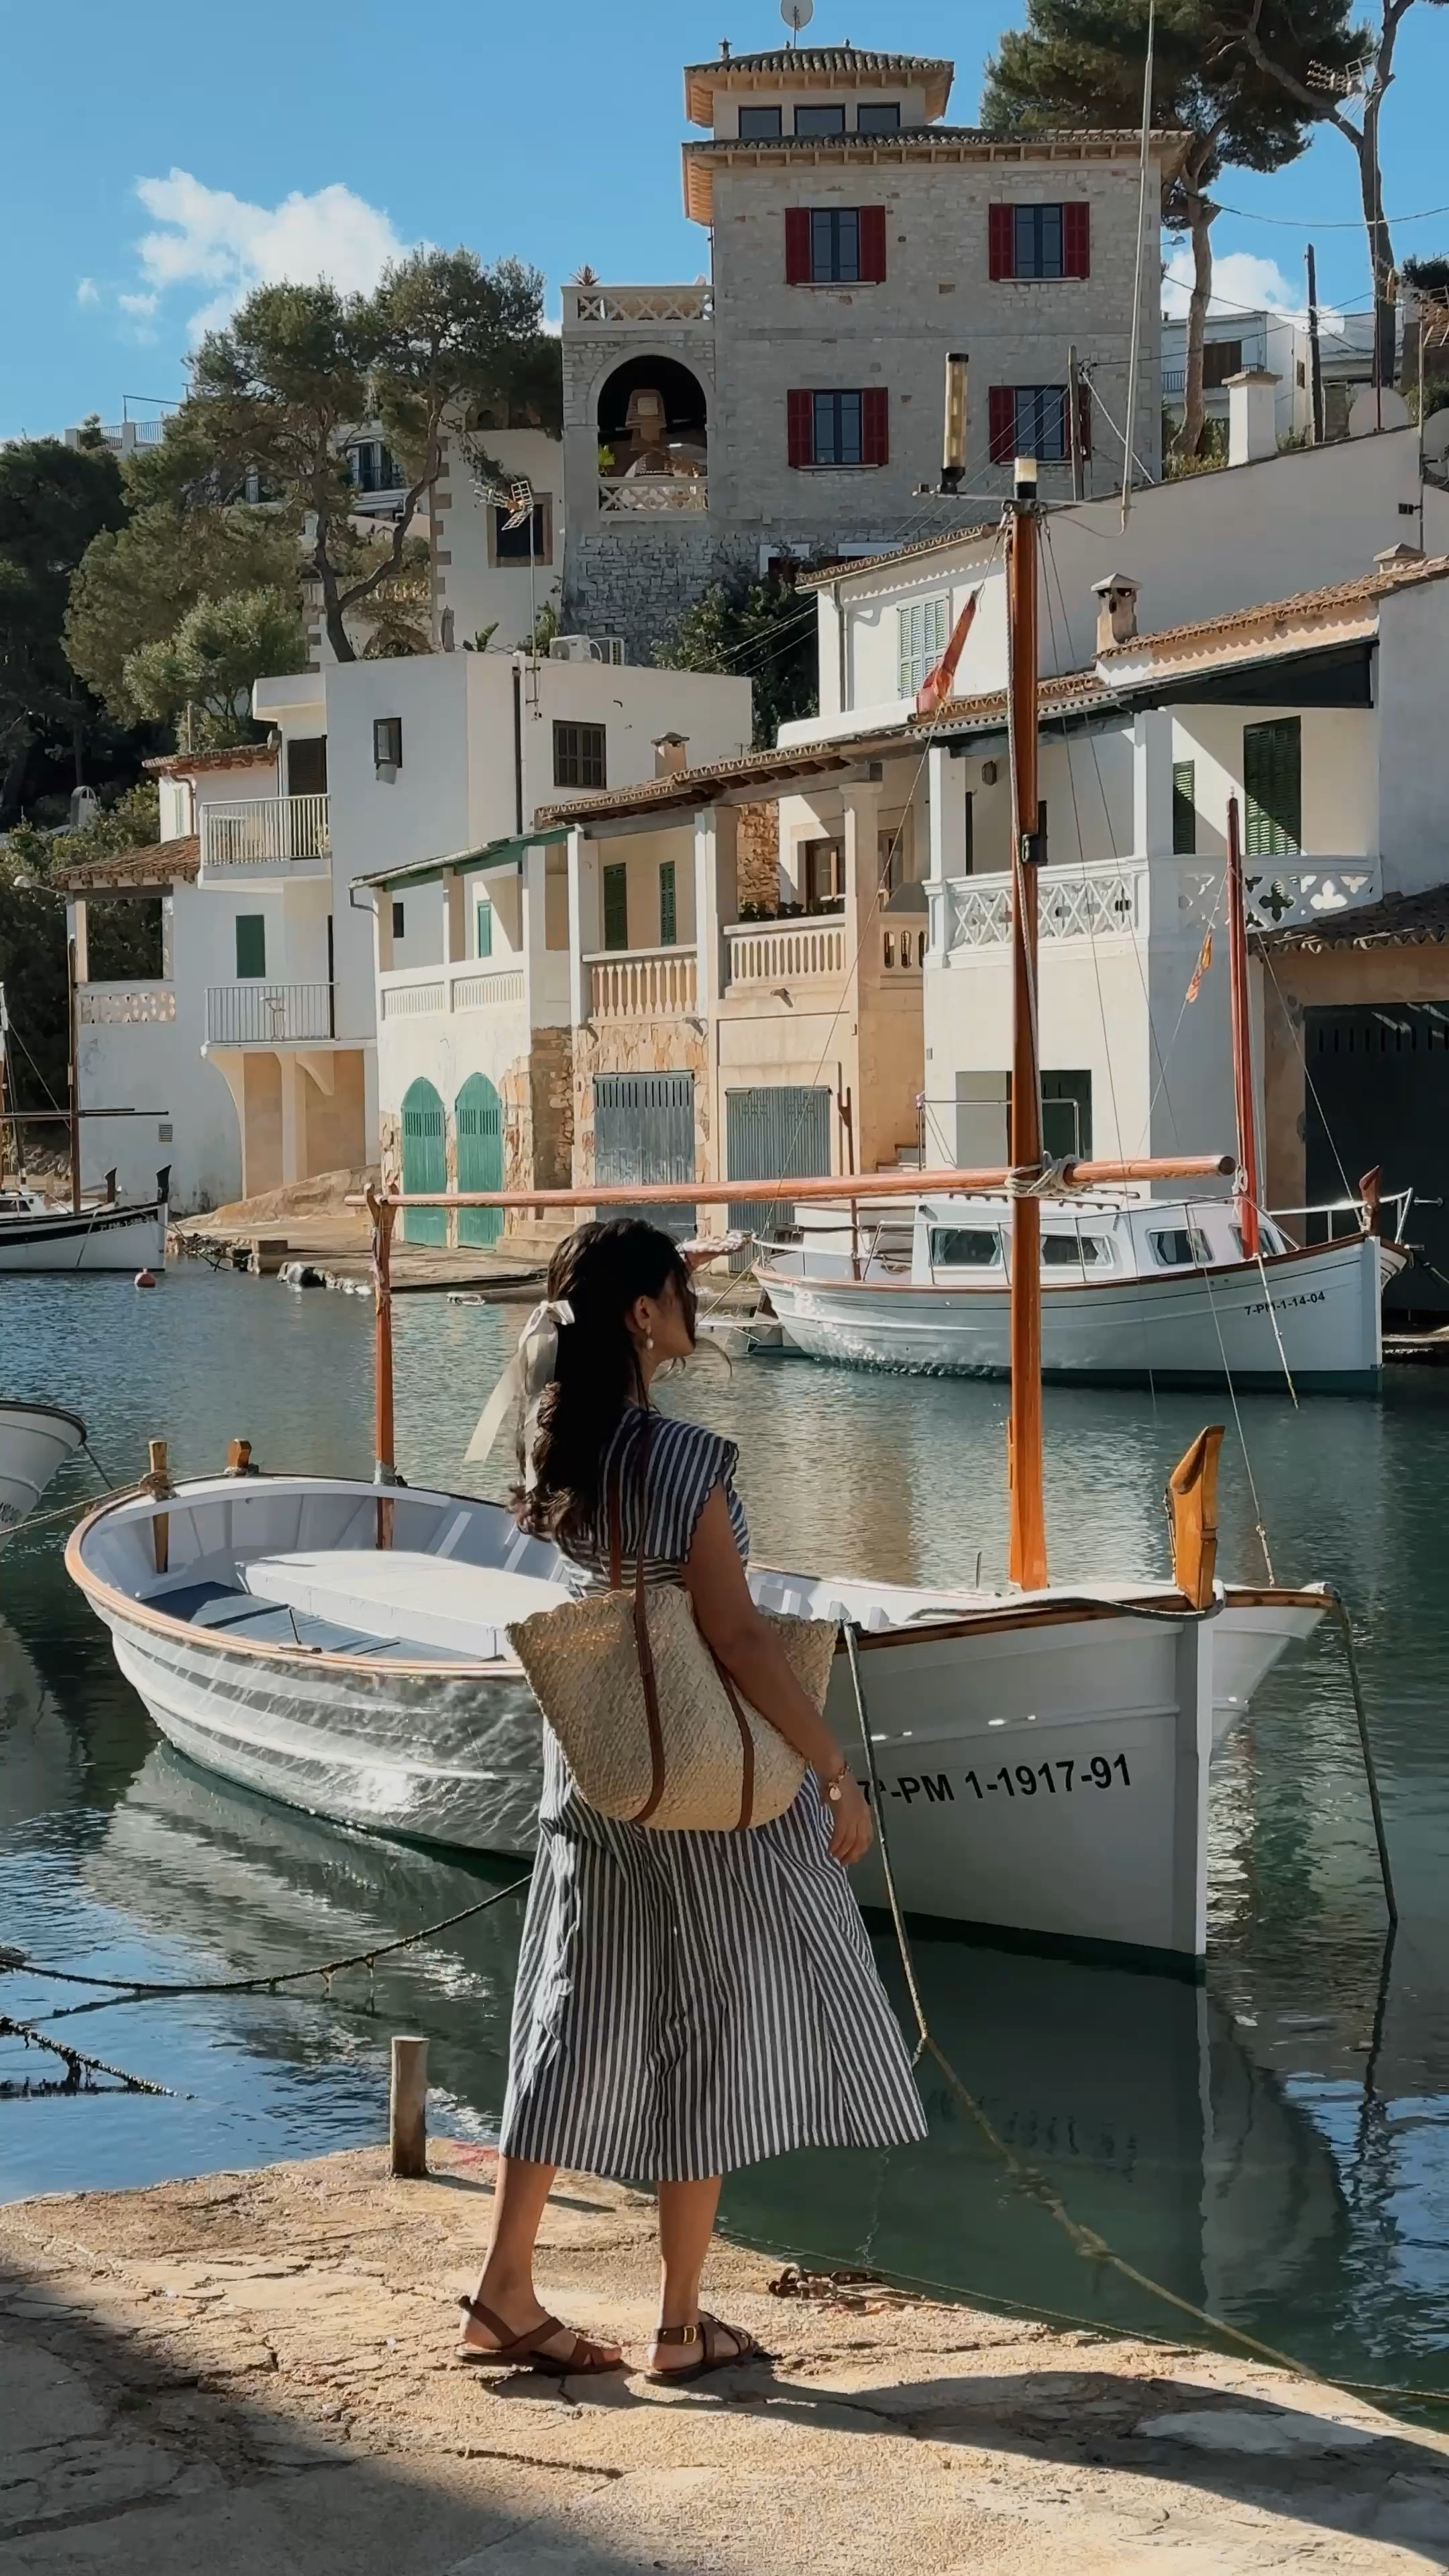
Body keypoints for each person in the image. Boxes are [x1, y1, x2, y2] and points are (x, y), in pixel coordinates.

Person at [457, 1218, 926, 2381]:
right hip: (701, 1785)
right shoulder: (684, 1461)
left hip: (598, 1764)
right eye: (679, 1286)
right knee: (706, 2023)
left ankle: (505, 2290)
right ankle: (679, 2323)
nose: (691, 1302)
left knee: (567, 2014)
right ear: (642, 1314)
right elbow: (736, 1638)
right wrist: (829, 1763)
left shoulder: (553, 1454)